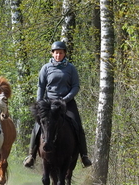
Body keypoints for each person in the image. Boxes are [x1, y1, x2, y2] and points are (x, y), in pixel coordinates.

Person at [24, 40, 92, 168]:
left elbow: (75, 86)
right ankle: (31, 155)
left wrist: (65, 99)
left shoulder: (70, 68)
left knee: (77, 125)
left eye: (60, 53)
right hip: (49, 103)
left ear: (64, 54)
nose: (58, 55)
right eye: (56, 53)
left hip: (67, 103)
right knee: (38, 126)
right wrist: (40, 103)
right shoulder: (46, 68)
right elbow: (41, 86)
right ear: (52, 54)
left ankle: (84, 155)